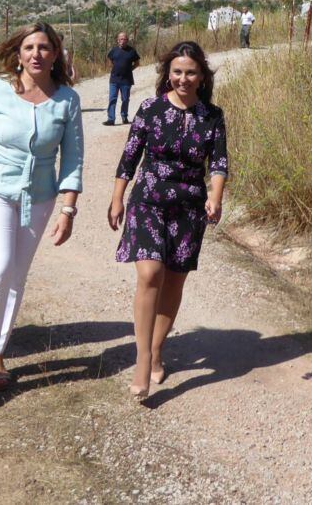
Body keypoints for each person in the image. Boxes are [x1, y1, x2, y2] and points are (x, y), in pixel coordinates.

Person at [0, 22, 84, 405]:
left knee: (17, 277)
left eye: (44, 47)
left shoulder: (67, 101)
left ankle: (0, 348)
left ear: (56, 54)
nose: (36, 54)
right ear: (18, 53)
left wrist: (68, 209)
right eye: (29, 47)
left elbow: (72, 160)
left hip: (38, 199)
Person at [107, 40, 228, 401]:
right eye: (177, 71)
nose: (183, 78)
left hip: (189, 206)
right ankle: (143, 360)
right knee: (149, 274)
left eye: (191, 72)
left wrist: (215, 196)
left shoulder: (212, 116)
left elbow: (219, 163)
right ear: (168, 74)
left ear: (202, 76)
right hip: (148, 198)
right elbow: (129, 158)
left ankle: (157, 348)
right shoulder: (149, 109)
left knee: (174, 282)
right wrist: (117, 198)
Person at [104, 31, 140, 126]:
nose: (123, 41)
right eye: (121, 39)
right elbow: (109, 60)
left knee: (125, 99)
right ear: (118, 40)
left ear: (127, 40)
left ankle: (124, 117)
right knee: (112, 99)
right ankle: (111, 119)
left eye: (125, 39)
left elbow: (137, 63)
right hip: (114, 79)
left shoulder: (132, 51)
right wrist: (114, 68)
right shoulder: (114, 50)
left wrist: (129, 69)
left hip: (126, 80)